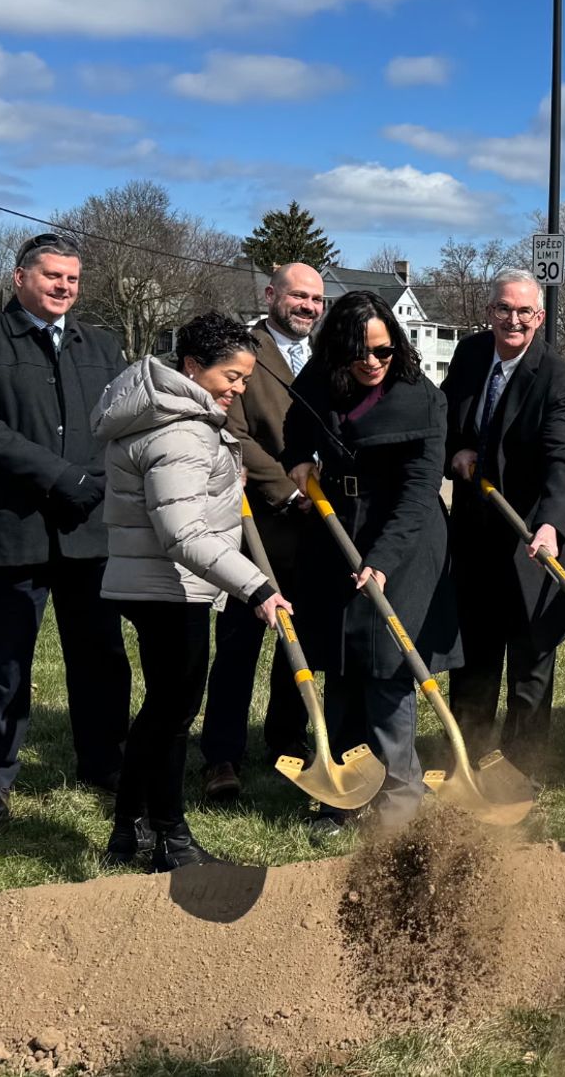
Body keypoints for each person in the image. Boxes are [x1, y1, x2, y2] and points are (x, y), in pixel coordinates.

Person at [93, 312, 295, 870]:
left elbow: (182, 501)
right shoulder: (180, 429)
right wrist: (256, 588)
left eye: (245, 380)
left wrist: (228, 477)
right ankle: (170, 837)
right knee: (172, 715)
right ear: (191, 367)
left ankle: (131, 832)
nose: (237, 389)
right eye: (230, 377)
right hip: (166, 586)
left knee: (164, 711)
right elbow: (182, 533)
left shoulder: (173, 414)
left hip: (155, 581)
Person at [0, 232, 131, 827]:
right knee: (3, 666)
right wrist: (64, 478)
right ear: (21, 276)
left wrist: (95, 483)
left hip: (88, 533)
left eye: (73, 279)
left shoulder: (100, 346)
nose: (64, 287)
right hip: (12, 533)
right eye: (52, 276)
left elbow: (127, 423)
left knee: (101, 658)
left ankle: (104, 765)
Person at [281, 290, 461, 834]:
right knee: (339, 665)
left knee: (387, 668)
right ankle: (343, 795)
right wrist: (296, 463)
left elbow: (419, 490)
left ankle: (399, 801)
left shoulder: (421, 399)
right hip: (336, 531)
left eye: (383, 352)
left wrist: (382, 561)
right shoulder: (321, 377)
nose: (372, 363)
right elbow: (296, 426)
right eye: (361, 353)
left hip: (402, 541)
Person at [443, 271, 565, 781]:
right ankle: (469, 759)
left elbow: (563, 461)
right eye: (504, 309)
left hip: (531, 542)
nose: (514, 320)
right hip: (475, 538)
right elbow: (446, 419)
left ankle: (522, 768)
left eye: (525, 311)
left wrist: (550, 525)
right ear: (490, 311)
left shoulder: (558, 377)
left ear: (540, 318)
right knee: (474, 659)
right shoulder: (470, 355)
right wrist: (454, 450)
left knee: (530, 663)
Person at [198, 262, 323, 801]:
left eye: (316, 299)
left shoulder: (330, 354)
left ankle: (285, 739)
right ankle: (221, 755)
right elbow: (232, 430)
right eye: (298, 296)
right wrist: (288, 488)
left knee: (304, 636)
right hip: (259, 521)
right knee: (240, 640)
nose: (308, 307)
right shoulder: (245, 351)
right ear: (272, 295)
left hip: (318, 526)